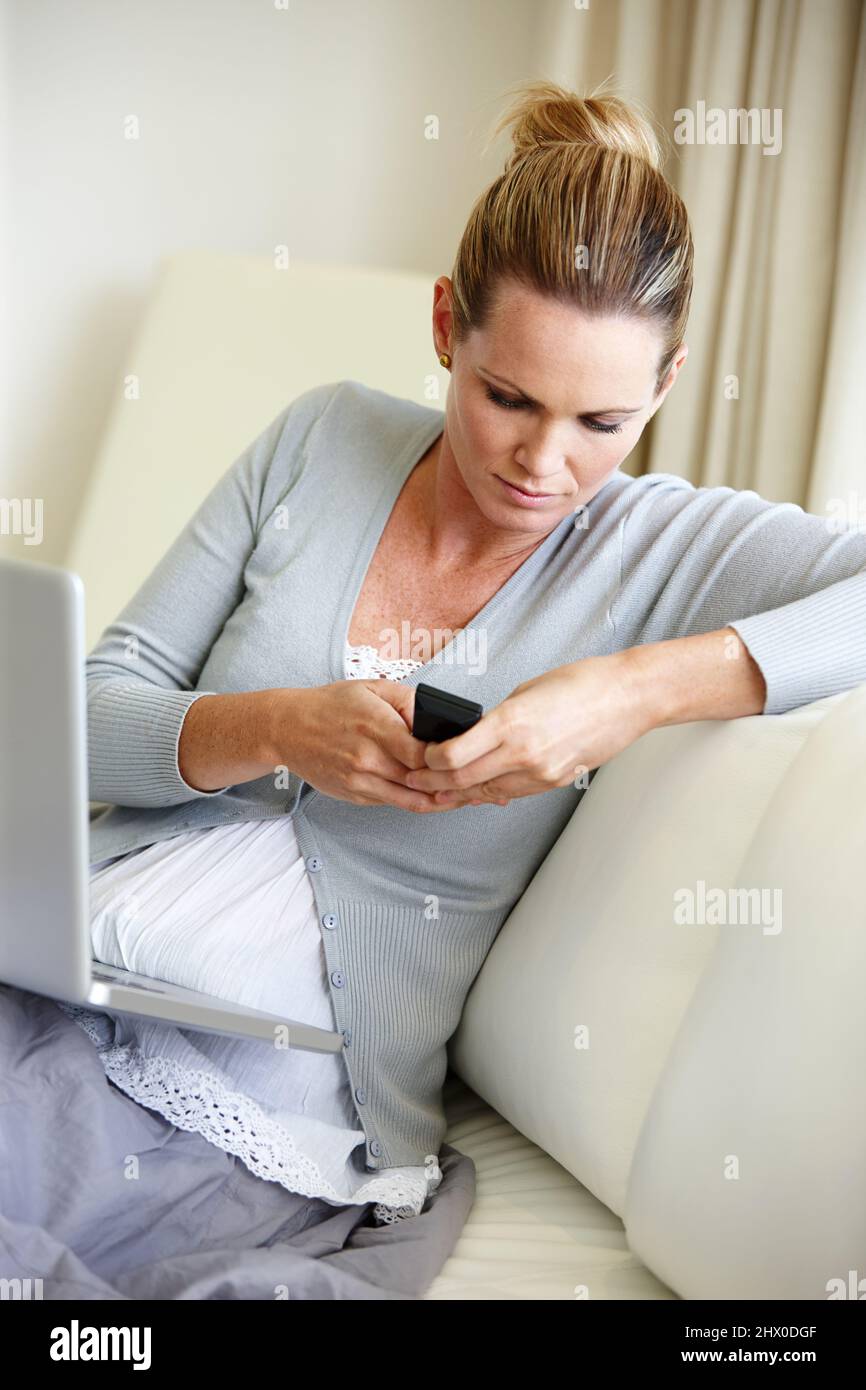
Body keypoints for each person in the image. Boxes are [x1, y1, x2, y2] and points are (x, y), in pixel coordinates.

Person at [62, 80, 866, 1232]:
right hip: (75, 954)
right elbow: (85, 718)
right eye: (505, 397)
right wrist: (280, 727)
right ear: (446, 325)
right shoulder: (320, 437)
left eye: (601, 424)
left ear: (666, 385)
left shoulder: (665, 550)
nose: (542, 462)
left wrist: (623, 692)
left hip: (281, 1082)